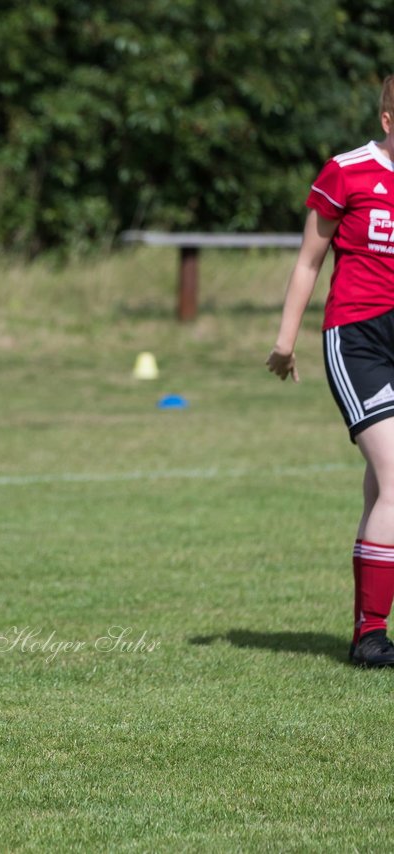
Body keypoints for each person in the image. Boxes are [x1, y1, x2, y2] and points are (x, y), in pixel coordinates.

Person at [268, 74, 394, 667]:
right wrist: (285, 341)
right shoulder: (347, 172)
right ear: (389, 122)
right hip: (357, 338)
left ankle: (368, 632)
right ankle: (371, 636)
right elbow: (307, 262)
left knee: (382, 487)